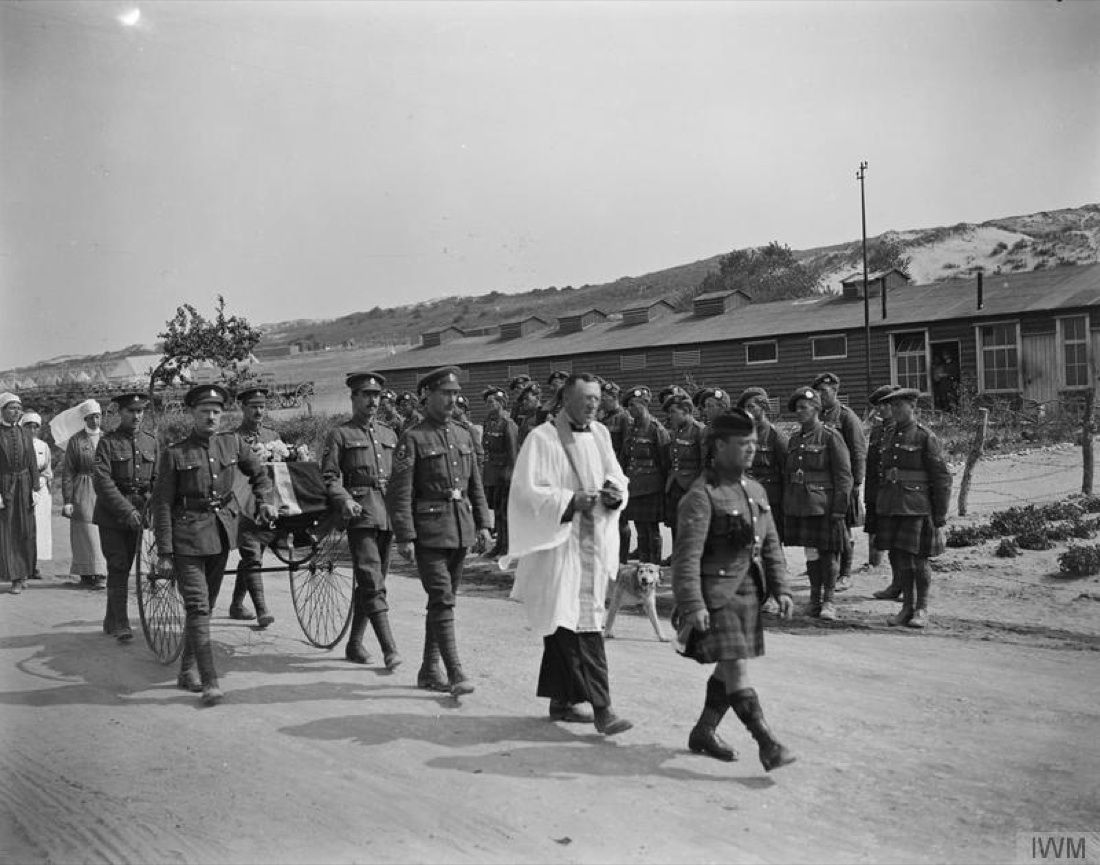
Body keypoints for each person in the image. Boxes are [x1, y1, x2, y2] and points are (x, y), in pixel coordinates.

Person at [507, 372, 633, 735]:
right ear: (565, 400)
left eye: (597, 398)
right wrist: (569, 500)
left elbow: (618, 476)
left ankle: (561, 700)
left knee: (568, 622)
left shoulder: (601, 434)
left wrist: (614, 494)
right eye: (585, 399)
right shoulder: (542, 439)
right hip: (559, 546)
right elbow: (526, 493)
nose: (593, 405)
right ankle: (603, 709)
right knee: (579, 627)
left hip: (593, 545)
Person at [672, 410, 796, 771]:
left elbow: (771, 544)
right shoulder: (701, 494)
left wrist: (782, 589)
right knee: (737, 668)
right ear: (719, 445)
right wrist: (692, 603)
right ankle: (768, 744)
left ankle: (703, 731)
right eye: (743, 444)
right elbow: (686, 557)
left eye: (754, 443)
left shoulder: (755, 489)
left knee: (728, 670)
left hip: (747, 592)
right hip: (716, 596)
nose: (751, 450)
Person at [152, 384, 277, 706]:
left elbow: (260, 475)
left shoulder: (232, 442)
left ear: (223, 414)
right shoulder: (175, 453)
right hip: (187, 539)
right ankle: (210, 681)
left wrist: (264, 501)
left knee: (206, 603)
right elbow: (162, 505)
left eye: (216, 411)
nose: (211, 416)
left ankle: (187, 670)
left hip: (221, 535)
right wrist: (164, 552)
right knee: (198, 606)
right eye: (204, 411)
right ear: (192, 414)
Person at [388, 366, 492, 696]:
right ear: (427, 396)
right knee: (442, 598)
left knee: (442, 601)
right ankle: (456, 672)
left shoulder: (463, 435)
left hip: (460, 527)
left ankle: (429, 669)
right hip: (429, 531)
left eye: (455, 393)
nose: (452, 399)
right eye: (445, 393)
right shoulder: (413, 437)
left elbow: (476, 485)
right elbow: (400, 491)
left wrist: (485, 524)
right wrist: (404, 535)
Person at [322, 372, 403, 669]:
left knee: (375, 581)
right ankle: (389, 649)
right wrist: (345, 499)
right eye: (365, 395)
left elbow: (400, 478)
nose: (372, 401)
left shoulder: (389, 434)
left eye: (376, 395)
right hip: (360, 514)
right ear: (353, 398)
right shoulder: (340, 434)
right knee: (372, 580)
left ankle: (355, 644)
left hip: (387, 514)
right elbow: (330, 477)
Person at [873, 388, 952, 628]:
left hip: (917, 508)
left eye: (900, 406)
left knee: (919, 561)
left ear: (912, 407)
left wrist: (939, 515)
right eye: (892, 406)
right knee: (899, 559)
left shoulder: (925, 437)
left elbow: (942, 479)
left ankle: (921, 609)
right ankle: (906, 607)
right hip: (892, 506)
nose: (895, 410)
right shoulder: (887, 435)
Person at [93, 393, 158, 642]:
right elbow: (102, 482)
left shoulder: (152, 442)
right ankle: (121, 622)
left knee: (126, 565)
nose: (136, 415)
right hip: (112, 515)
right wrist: (126, 510)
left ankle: (111, 619)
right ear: (120, 413)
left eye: (140, 411)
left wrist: (150, 508)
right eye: (131, 411)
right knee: (118, 564)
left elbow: (157, 479)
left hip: (140, 514)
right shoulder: (107, 443)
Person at [783, 387, 852, 621]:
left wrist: (840, 508)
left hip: (826, 505)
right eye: (797, 409)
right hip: (803, 505)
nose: (799, 412)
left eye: (804, 408)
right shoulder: (794, 439)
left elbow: (844, 476)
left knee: (828, 554)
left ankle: (829, 601)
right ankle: (814, 599)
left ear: (817, 409)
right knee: (811, 553)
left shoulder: (831, 436)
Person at [227, 386, 280, 626]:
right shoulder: (232, 439)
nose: (258, 411)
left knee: (252, 554)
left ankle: (237, 604)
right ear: (242, 408)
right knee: (251, 552)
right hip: (243, 503)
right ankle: (262, 610)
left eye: (262, 406)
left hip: (267, 502)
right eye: (253, 407)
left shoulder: (273, 436)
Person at [813, 372, 867, 594]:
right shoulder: (817, 416)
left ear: (835, 392)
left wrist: (856, 484)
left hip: (844, 483)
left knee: (843, 528)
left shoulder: (847, 417)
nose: (821, 396)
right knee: (824, 528)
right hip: (823, 484)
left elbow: (858, 451)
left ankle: (845, 573)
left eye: (824, 392)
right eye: (818, 392)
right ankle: (826, 568)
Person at [618, 386, 670, 565]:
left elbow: (665, 460)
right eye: (630, 406)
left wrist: (662, 487)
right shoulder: (632, 429)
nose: (631, 410)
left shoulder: (656, 429)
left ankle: (653, 566)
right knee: (640, 529)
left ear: (644, 405)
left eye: (634, 405)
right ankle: (643, 563)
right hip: (635, 485)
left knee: (652, 530)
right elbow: (625, 456)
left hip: (651, 486)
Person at [62, 399, 107, 588]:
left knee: (102, 530)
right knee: (84, 530)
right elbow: (68, 471)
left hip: (105, 486)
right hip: (83, 485)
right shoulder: (76, 440)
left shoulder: (108, 438)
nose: (94, 421)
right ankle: (86, 573)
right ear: (84, 419)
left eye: (97, 417)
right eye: (90, 418)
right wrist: (68, 499)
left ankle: (102, 573)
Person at [736, 387, 787, 544]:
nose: (747, 411)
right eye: (745, 408)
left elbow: (786, 472)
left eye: (751, 407)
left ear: (764, 407)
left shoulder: (775, 436)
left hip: (770, 499)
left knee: (771, 545)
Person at [1, 393, 39, 594]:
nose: (16, 411)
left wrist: (35, 488)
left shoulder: (25, 433)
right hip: (5, 485)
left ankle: (25, 572)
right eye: (11, 408)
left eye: (18, 408)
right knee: (10, 531)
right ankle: (15, 577)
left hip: (25, 485)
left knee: (26, 530)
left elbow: (32, 461)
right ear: (2, 410)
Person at [863, 384, 900, 592]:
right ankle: (886, 575)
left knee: (897, 541)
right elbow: (871, 463)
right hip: (876, 491)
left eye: (886, 405)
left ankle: (899, 582)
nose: (882, 410)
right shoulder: (877, 430)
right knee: (879, 533)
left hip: (894, 492)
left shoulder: (901, 429)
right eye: (879, 406)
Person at [480, 386, 518, 557]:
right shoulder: (489, 421)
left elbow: (512, 453)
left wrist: (511, 475)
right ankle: (499, 545)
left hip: (505, 473)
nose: (488, 405)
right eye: (486, 402)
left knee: (505, 512)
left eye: (491, 402)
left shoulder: (507, 423)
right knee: (496, 510)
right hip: (492, 473)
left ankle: (508, 546)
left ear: (501, 403)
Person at [598, 380, 633, 564]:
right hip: (604, 474)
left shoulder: (624, 418)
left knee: (622, 520)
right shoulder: (603, 419)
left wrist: (622, 476)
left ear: (614, 398)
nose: (602, 402)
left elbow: (628, 448)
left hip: (618, 473)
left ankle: (623, 559)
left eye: (605, 398)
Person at [663, 393, 705, 544]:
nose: (670, 416)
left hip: (691, 487)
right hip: (675, 484)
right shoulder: (677, 431)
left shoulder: (699, 431)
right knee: (675, 524)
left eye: (673, 412)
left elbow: (704, 463)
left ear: (686, 410)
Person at [20, 411, 52, 579]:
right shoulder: (18, 444)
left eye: (35, 427)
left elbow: (48, 468)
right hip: (23, 486)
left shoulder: (43, 446)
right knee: (24, 527)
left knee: (39, 529)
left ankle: (35, 565)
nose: (32, 430)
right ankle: (22, 565)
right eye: (28, 426)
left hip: (41, 489)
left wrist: (44, 481)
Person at [515, 380, 543, 447]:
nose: (524, 402)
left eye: (527, 399)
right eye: (523, 399)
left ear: (537, 397)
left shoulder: (544, 417)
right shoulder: (527, 417)